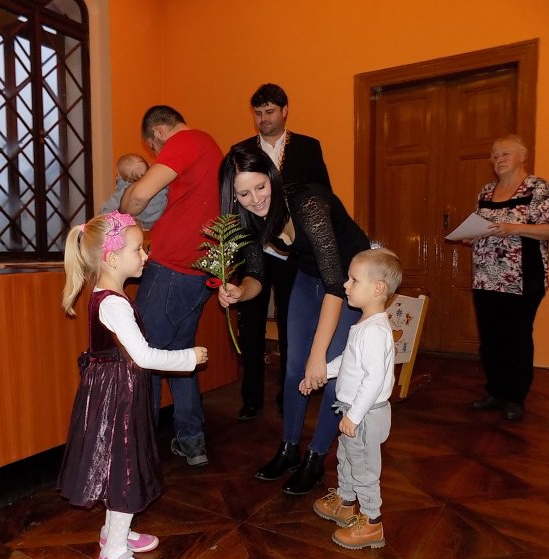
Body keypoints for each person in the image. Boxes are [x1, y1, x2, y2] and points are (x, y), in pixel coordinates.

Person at [58, 211, 208, 559]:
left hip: (116, 392)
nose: (146, 256)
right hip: (117, 399)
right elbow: (143, 356)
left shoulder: (109, 296)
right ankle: (113, 554)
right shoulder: (114, 304)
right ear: (111, 258)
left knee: (119, 464)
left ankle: (115, 532)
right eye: (138, 249)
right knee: (125, 469)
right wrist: (188, 357)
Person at [218, 145, 370, 495]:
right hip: (308, 276)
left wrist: (318, 356)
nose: (255, 199)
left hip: (350, 281)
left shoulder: (307, 203)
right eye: (244, 194)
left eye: (260, 186)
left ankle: (316, 457)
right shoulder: (247, 215)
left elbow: (336, 285)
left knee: (333, 372)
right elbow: (257, 275)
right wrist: (240, 292)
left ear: (272, 177)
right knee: (292, 370)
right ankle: (288, 449)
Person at [120, 105, 223, 467]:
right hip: (198, 268)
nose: (157, 155)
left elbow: (138, 197)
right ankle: (192, 442)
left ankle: (140, 447)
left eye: (154, 148)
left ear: (159, 132)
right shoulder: (207, 144)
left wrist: (123, 208)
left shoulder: (184, 141)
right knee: (180, 355)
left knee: (142, 354)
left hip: (172, 265)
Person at [233, 83, 332, 421]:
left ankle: (288, 392)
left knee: (293, 324)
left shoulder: (307, 147)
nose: (263, 119)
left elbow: (322, 194)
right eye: (258, 113)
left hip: (294, 251)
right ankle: (251, 397)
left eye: (270, 111)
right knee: (250, 326)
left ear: (285, 111)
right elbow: (234, 203)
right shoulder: (241, 151)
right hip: (253, 249)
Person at [312, 248, 402, 550]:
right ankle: (346, 503)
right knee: (348, 458)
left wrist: (354, 415)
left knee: (364, 469)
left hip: (364, 414)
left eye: (353, 280)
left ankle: (372, 522)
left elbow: (374, 379)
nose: (346, 285)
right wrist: (322, 372)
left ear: (378, 288)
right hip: (355, 412)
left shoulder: (374, 332)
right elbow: (349, 362)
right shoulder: (365, 324)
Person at [465, 134, 549, 422]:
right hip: (485, 278)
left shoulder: (538, 187)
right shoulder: (486, 190)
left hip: (522, 277)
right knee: (490, 338)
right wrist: (472, 235)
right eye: (494, 155)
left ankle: (515, 397)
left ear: (522, 156)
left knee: (516, 338)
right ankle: (495, 391)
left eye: (504, 154)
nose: (498, 160)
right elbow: (481, 225)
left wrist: (512, 228)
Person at [101, 153, 167, 230]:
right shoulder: (155, 178)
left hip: (145, 221)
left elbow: (111, 206)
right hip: (162, 213)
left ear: (121, 177)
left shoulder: (123, 190)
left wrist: (102, 215)